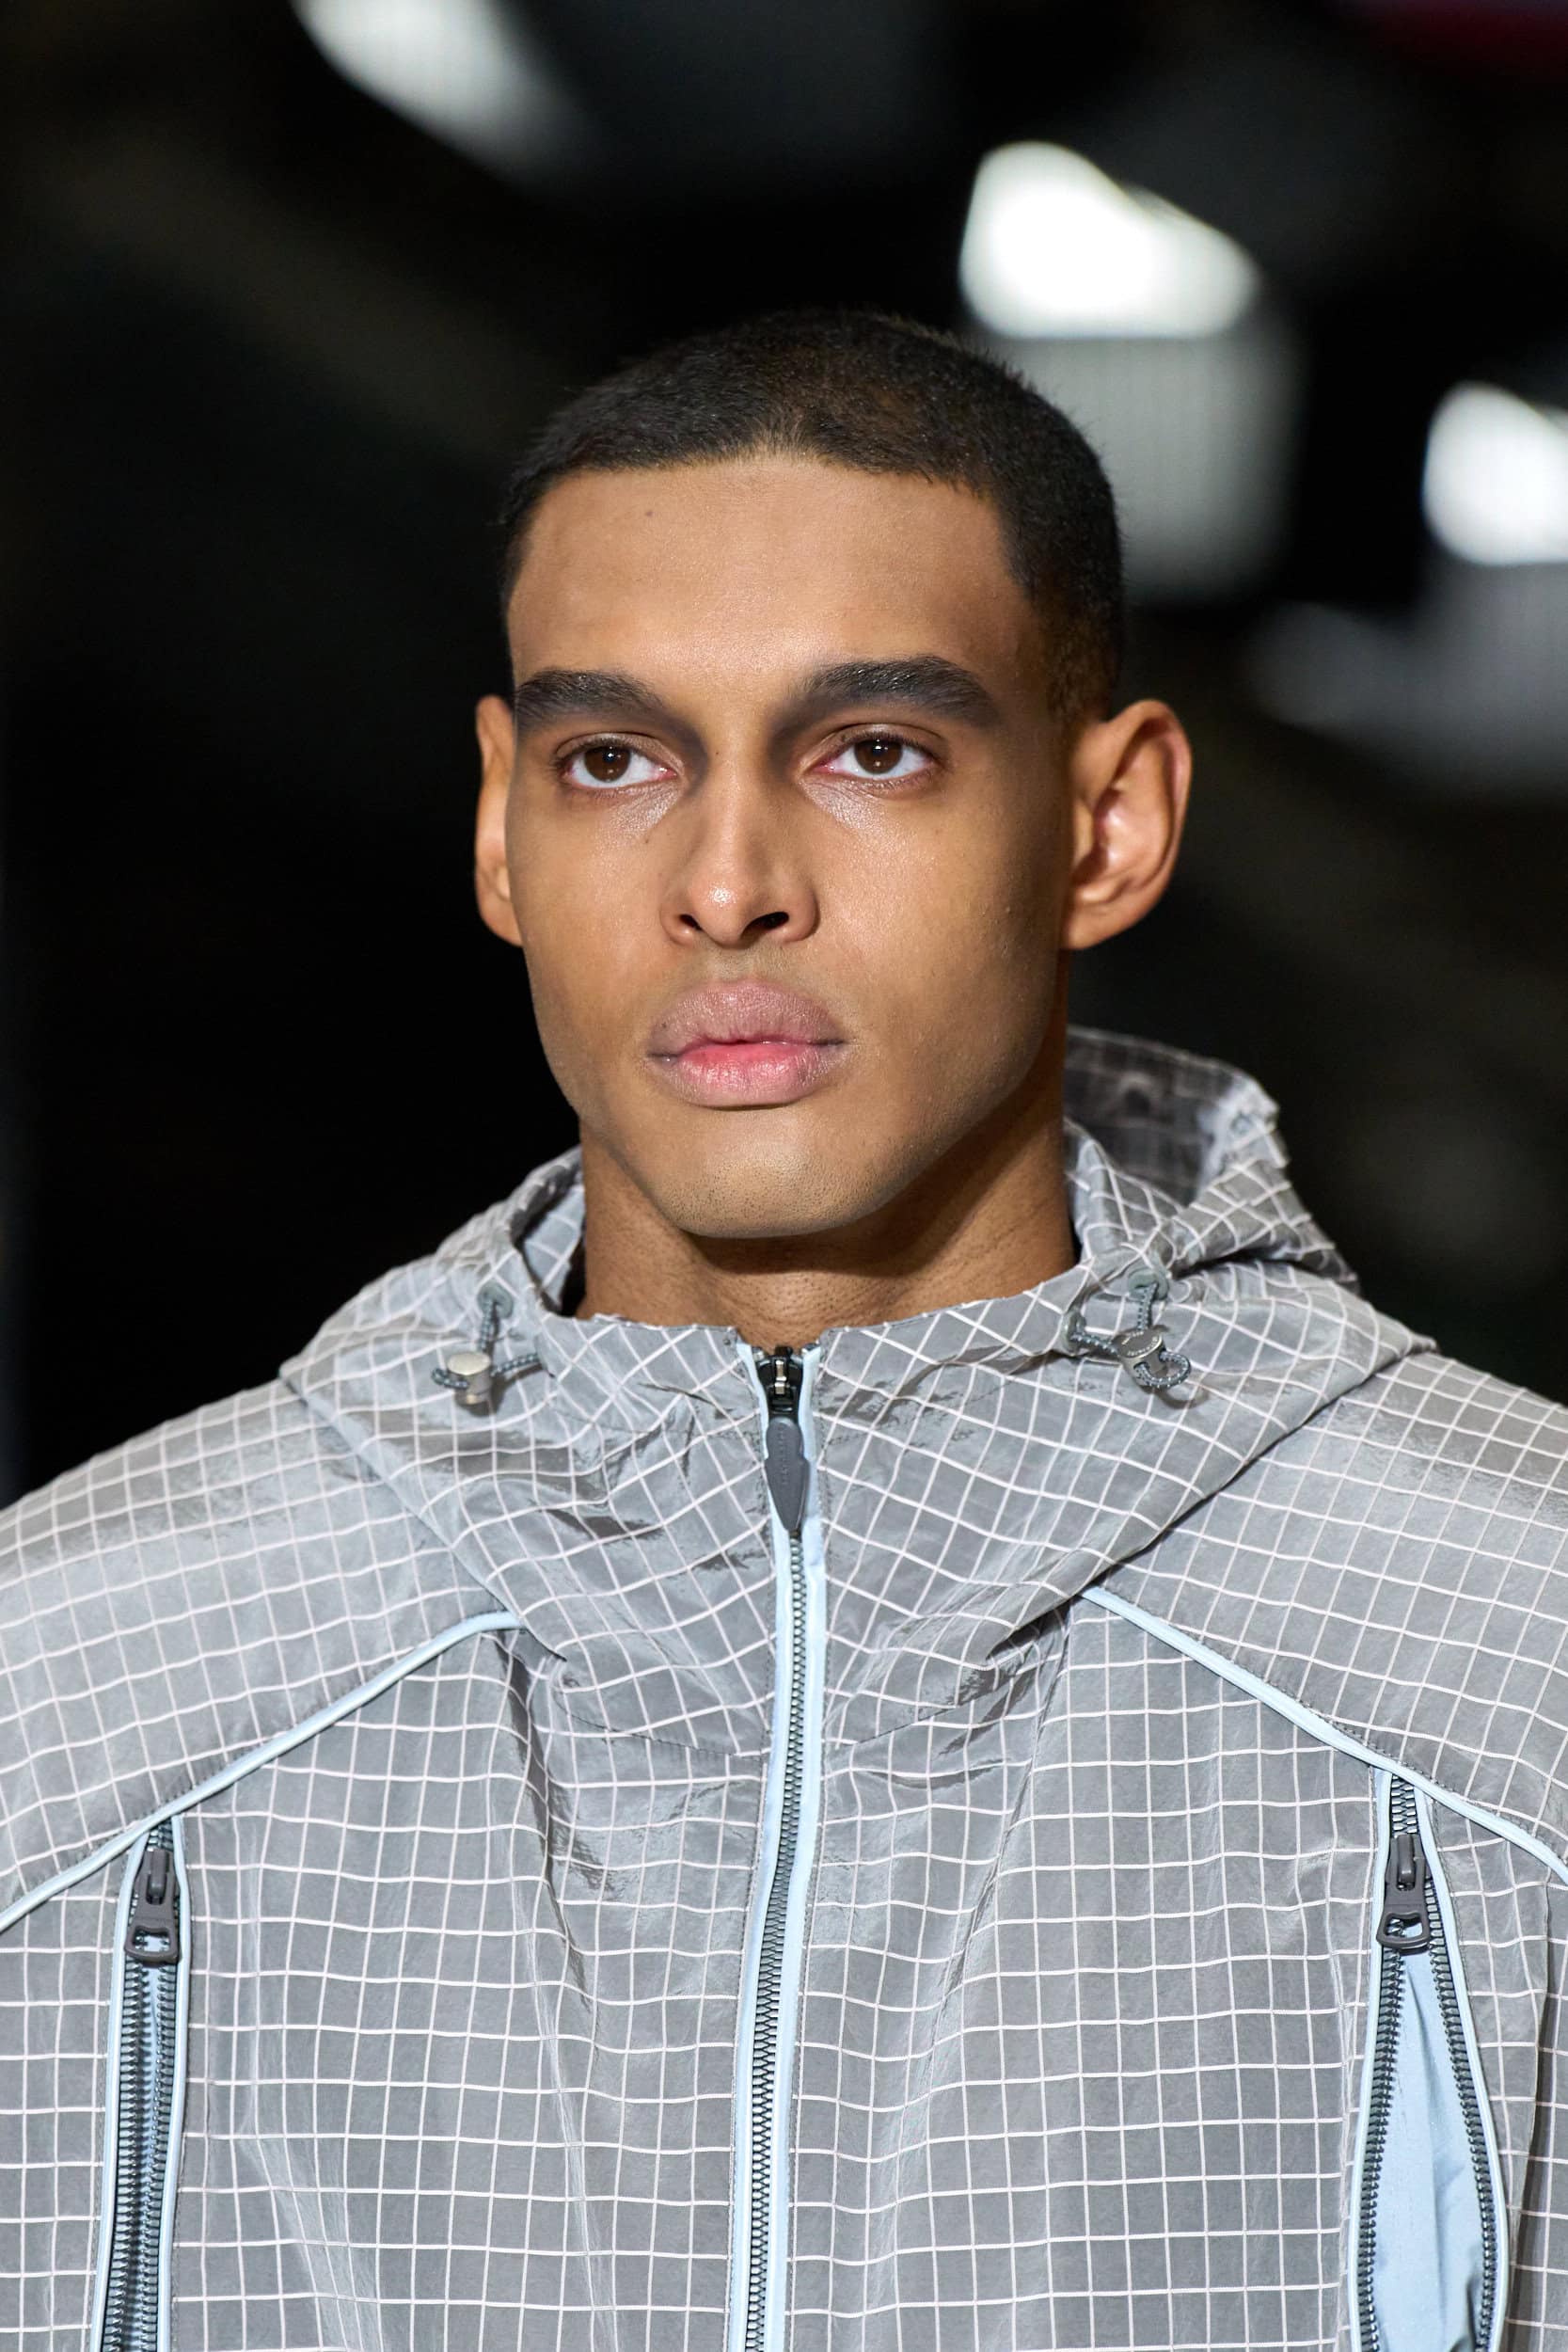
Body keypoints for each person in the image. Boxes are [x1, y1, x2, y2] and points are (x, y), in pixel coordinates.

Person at [2, 308, 1565, 2352]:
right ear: (501, 829)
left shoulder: (1512, 1647)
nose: (727, 883)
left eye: (873, 751)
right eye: (615, 761)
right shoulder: (79, 1685)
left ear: (1107, 823)